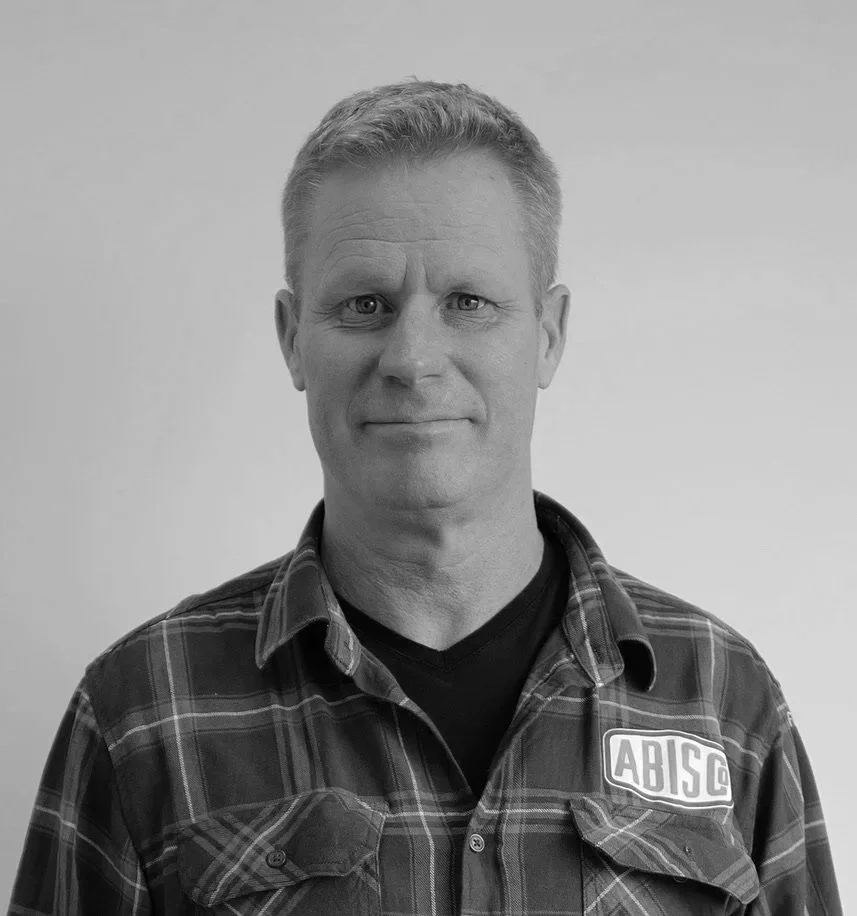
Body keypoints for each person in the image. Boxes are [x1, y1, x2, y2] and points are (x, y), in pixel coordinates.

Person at [9, 79, 841, 916]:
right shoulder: (142, 711)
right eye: (364, 305)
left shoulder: (722, 699)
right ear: (292, 339)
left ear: (548, 335)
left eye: (467, 303)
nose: (411, 358)